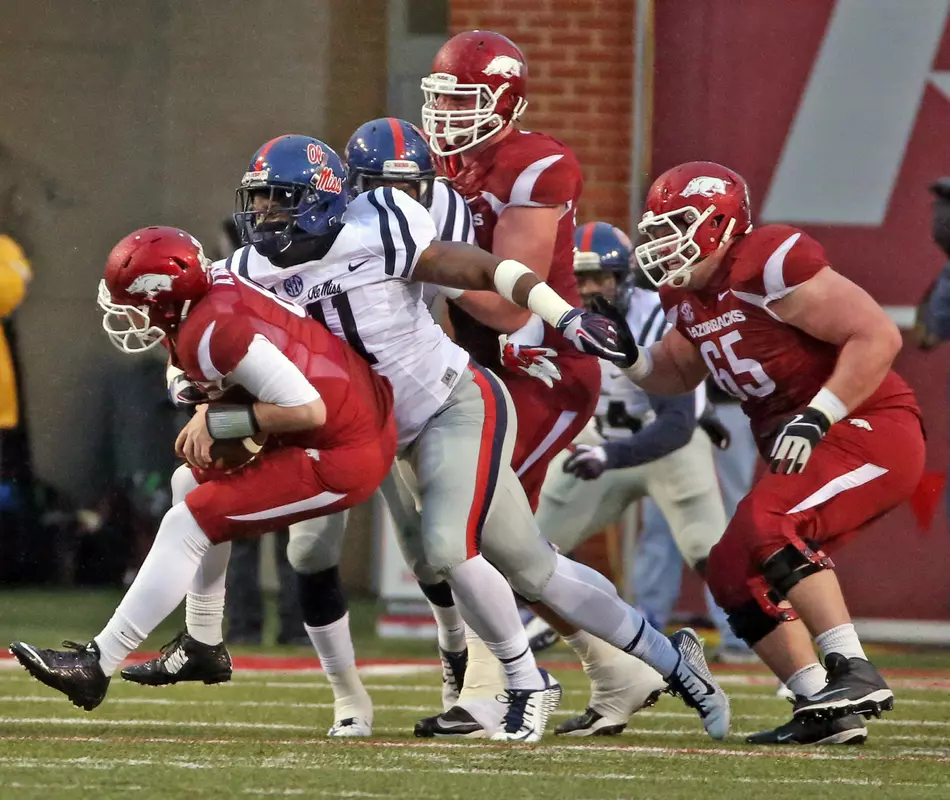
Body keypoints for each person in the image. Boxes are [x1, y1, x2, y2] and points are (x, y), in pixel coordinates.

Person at [119, 134, 729, 743]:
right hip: (369, 430)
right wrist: (187, 389)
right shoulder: (250, 269)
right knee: (534, 569)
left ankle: (524, 681)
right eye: (258, 202)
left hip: (450, 405)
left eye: (278, 201)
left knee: (447, 547)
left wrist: (562, 314)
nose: (264, 217)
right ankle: (674, 660)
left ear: (321, 199)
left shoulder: (382, 225)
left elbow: (484, 268)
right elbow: (192, 316)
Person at [9, 225, 398, 711]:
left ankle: (96, 663)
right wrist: (202, 404)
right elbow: (200, 372)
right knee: (186, 481)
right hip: (345, 415)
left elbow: (307, 411)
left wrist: (222, 417)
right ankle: (203, 641)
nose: (131, 314)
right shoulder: (208, 296)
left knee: (187, 522)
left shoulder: (211, 330)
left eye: (137, 302)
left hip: (342, 449)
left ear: (165, 299)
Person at [612, 160, 924, 746]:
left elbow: (878, 335)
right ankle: (821, 707)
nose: (660, 238)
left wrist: (817, 414)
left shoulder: (770, 261)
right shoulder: (688, 293)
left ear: (719, 222)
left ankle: (853, 669)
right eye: (654, 225)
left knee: (766, 524)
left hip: (868, 426)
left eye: (674, 222)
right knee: (731, 565)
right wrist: (627, 357)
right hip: (815, 441)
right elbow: (677, 368)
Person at [415, 29, 618, 739]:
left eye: (464, 100)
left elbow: (503, 302)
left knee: (477, 533)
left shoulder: (536, 165)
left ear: (504, 100)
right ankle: (629, 667)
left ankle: (482, 694)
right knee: (503, 544)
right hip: (477, 371)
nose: (446, 116)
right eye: (440, 99)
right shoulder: (432, 163)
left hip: (540, 366)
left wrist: (417, 261)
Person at [525, 221, 732, 737]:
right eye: (580, 279)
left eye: (600, 279)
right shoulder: (552, 315)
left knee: (720, 561)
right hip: (599, 442)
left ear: (624, 277)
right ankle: (617, 683)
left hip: (666, 445)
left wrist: (608, 456)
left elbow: (676, 424)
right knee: (522, 557)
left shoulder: (651, 317)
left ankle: (805, 680)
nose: (590, 290)